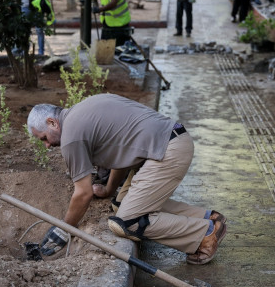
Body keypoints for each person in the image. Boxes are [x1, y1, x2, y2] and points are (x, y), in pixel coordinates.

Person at [27, 94, 228, 265]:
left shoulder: (72, 136)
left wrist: (64, 229)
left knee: (126, 221)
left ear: (52, 123)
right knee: (121, 204)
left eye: (44, 138)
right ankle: (207, 218)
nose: (46, 145)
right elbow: (121, 156)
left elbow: (83, 193)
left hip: (167, 151)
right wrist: (107, 190)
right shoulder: (83, 110)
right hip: (171, 141)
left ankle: (203, 234)